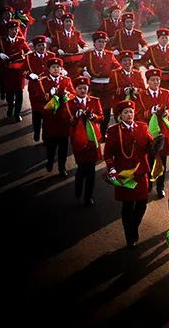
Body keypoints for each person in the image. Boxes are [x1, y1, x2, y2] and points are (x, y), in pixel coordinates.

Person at [103, 100, 156, 248]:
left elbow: (150, 146)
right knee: (128, 205)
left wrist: (155, 145)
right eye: (125, 112)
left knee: (142, 203)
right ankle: (129, 235)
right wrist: (111, 169)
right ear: (120, 115)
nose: (129, 115)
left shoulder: (143, 127)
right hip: (124, 175)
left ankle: (134, 227)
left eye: (131, 112)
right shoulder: (114, 131)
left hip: (141, 173)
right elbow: (108, 153)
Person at [135, 68, 169, 198]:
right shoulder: (141, 95)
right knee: (149, 159)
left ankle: (160, 187)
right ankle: (148, 185)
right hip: (148, 132)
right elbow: (138, 114)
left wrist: (167, 112)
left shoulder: (165, 93)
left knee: (162, 160)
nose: (156, 82)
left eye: (158, 80)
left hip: (163, 131)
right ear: (147, 82)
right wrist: (150, 112)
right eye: (152, 80)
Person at [65, 76, 104, 205]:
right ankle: (78, 186)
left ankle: (88, 197)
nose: (83, 90)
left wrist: (93, 116)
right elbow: (67, 121)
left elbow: (101, 118)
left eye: (85, 88)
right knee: (82, 167)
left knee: (91, 169)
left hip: (92, 139)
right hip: (79, 140)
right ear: (75, 89)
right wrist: (76, 117)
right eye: (80, 88)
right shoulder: (69, 103)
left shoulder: (94, 101)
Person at [79, 31, 120, 133]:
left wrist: (113, 74)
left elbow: (118, 67)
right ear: (94, 43)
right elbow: (78, 66)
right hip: (94, 87)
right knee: (92, 111)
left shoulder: (110, 55)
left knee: (106, 113)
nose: (101, 44)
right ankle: (91, 132)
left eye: (103, 42)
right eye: (99, 42)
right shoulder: (88, 55)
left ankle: (103, 132)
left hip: (106, 88)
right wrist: (84, 72)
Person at [0, 20, 31, 121]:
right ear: (7, 31)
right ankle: (10, 107)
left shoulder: (21, 40)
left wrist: (27, 54)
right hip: (8, 71)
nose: (14, 31)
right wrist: (0, 55)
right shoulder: (2, 41)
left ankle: (17, 113)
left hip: (19, 71)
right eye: (12, 29)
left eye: (16, 29)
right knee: (9, 93)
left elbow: (28, 50)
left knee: (19, 92)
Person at [25, 36, 56, 141]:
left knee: (48, 112)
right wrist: (29, 75)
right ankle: (37, 131)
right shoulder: (29, 57)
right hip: (35, 89)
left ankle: (46, 136)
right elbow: (23, 70)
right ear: (34, 47)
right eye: (39, 45)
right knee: (37, 112)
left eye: (43, 45)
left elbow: (57, 68)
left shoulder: (51, 55)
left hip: (49, 88)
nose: (42, 47)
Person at [139, 27, 169, 91]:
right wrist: (149, 66)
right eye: (162, 38)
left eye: (166, 38)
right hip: (159, 77)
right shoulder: (152, 49)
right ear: (158, 39)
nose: (164, 40)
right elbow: (143, 60)